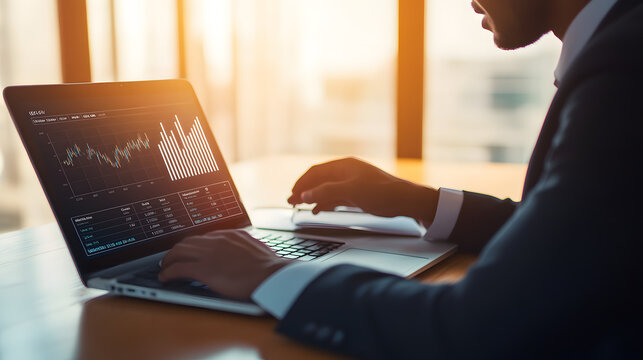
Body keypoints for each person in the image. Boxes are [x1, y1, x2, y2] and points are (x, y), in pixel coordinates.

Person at [159, 0, 642, 358]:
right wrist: (419, 202)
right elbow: (581, 239)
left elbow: (477, 329)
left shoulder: (623, 69)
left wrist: (273, 274)